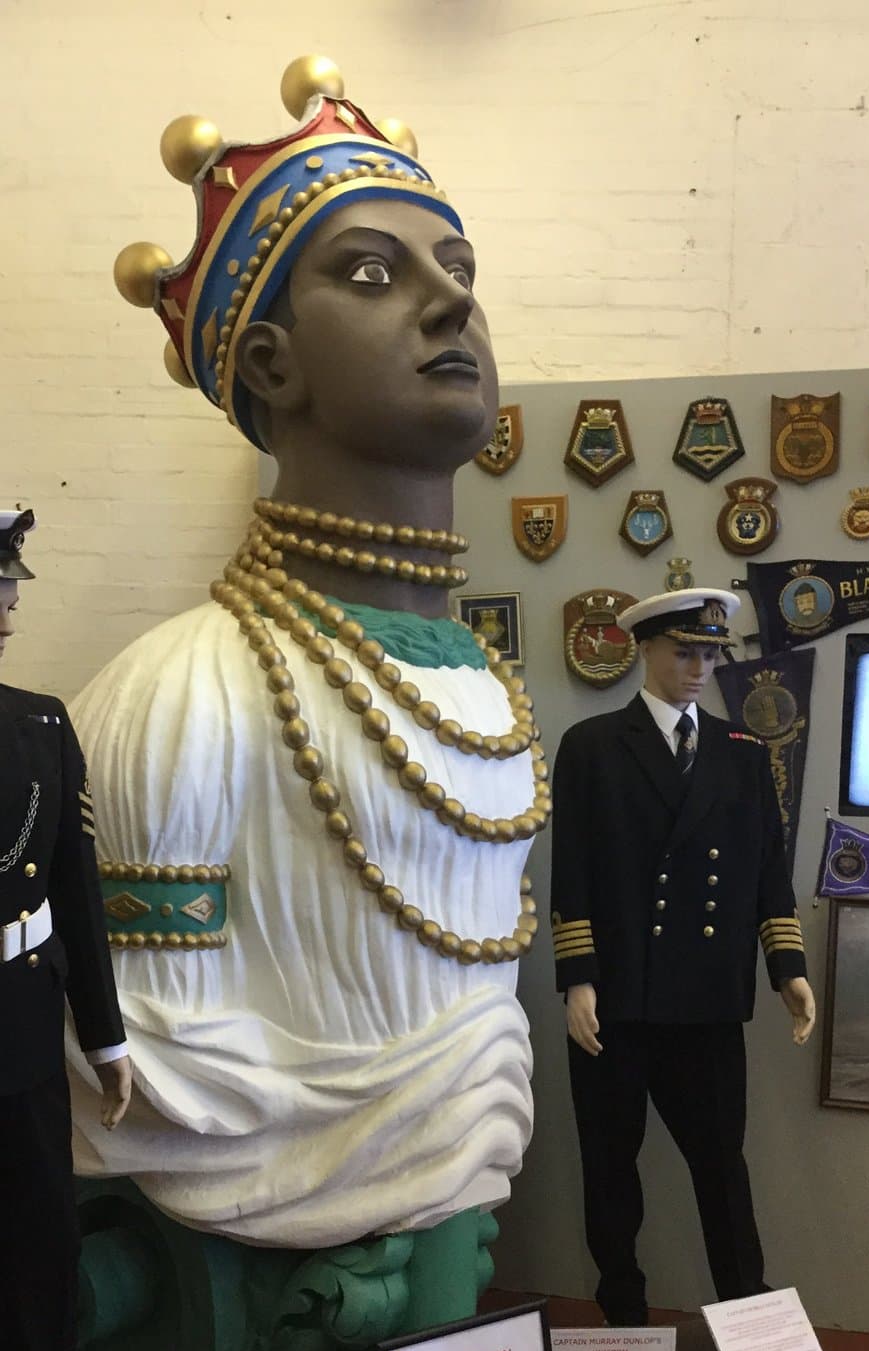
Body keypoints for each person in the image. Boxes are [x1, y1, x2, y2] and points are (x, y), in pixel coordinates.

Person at [67, 58, 537, 1257]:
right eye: (373, 273)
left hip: (456, 1235)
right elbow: (141, 1068)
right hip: (252, 1267)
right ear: (269, 362)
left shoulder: (483, 687)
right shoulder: (180, 698)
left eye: (460, 273)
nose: (450, 306)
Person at [550, 588, 815, 1325]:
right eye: (684, 651)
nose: (699, 666)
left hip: (706, 1002)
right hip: (617, 1001)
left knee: (722, 1168)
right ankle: (624, 1318)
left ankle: (748, 1315)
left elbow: (769, 872)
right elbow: (569, 870)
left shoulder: (742, 754)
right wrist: (577, 979)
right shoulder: (593, 745)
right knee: (610, 1167)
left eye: (710, 652)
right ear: (647, 648)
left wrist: (786, 967)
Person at [0, 509, 131, 1351]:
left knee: (39, 1247)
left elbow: (77, 893)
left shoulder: (44, 727)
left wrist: (106, 1033)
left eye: (11, 588)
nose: (11, 609)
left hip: (21, 1038)